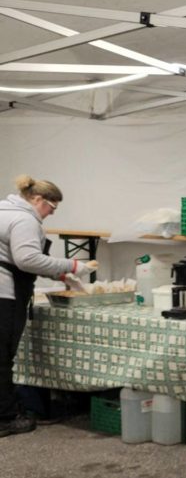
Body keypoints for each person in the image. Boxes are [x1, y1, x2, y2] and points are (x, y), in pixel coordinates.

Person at [0, 175, 98, 437]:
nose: (50, 214)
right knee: (2, 356)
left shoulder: (4, 211)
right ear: (37, 199)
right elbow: (28, 259)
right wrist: (72, 265)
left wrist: (59, 275)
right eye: (50, 208)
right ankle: (6, 418)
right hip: (4, 294)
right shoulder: (24, 219)